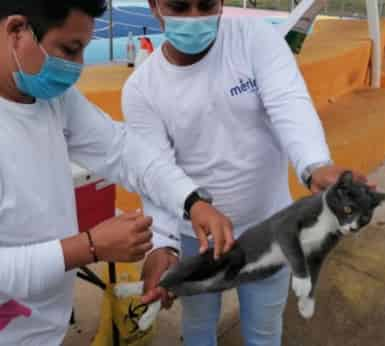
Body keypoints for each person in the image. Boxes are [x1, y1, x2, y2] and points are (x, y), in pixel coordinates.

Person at [122, 0, 370, 345]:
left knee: (264, 332)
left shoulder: (255, 40)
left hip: (268, 230)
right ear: (154, 5)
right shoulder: (141, 90)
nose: (194, 18)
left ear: (222, 2)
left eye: (206, 4)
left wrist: (314, 164)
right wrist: (163, 245)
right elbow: (155, 173)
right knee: (197, 329)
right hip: (196, 239)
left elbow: (288, 101)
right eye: (179, 6)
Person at [0, 1, 222, 344]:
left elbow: (123, 150)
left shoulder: (51, 100)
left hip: (43, 330)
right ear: (16, 31)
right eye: (70, 49)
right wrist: (89, 247)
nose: (78, 66)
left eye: (83, 50)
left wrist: (191, 200)